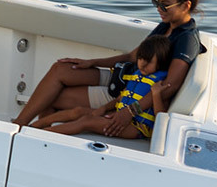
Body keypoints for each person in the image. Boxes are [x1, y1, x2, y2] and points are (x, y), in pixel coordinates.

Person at [11, 0, 205, 134]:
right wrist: (92, 62)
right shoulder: (166, 26)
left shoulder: (186, 39)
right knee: (60, 69)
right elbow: (132, 57)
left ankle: (34, 135)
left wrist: (129, 112)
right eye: (156, 3)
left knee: (53, 97)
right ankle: (21, 125)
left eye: (165, 5)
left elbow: (168, 87)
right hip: (123, 77)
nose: (158, 10)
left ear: (185, 6)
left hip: (128, 91)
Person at [36, 36, 172, 140]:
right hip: (119, 115)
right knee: (78, 112)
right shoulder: (137, 76)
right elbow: (121, 98)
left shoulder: (158, 84)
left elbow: (160, 115)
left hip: (136, 128)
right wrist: (103, 108)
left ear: (160, 63)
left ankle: (40, 135)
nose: (142, 64)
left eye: (149, 62)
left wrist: (156, 95)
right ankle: (34, 127)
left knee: (87, 121)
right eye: (141, 59)